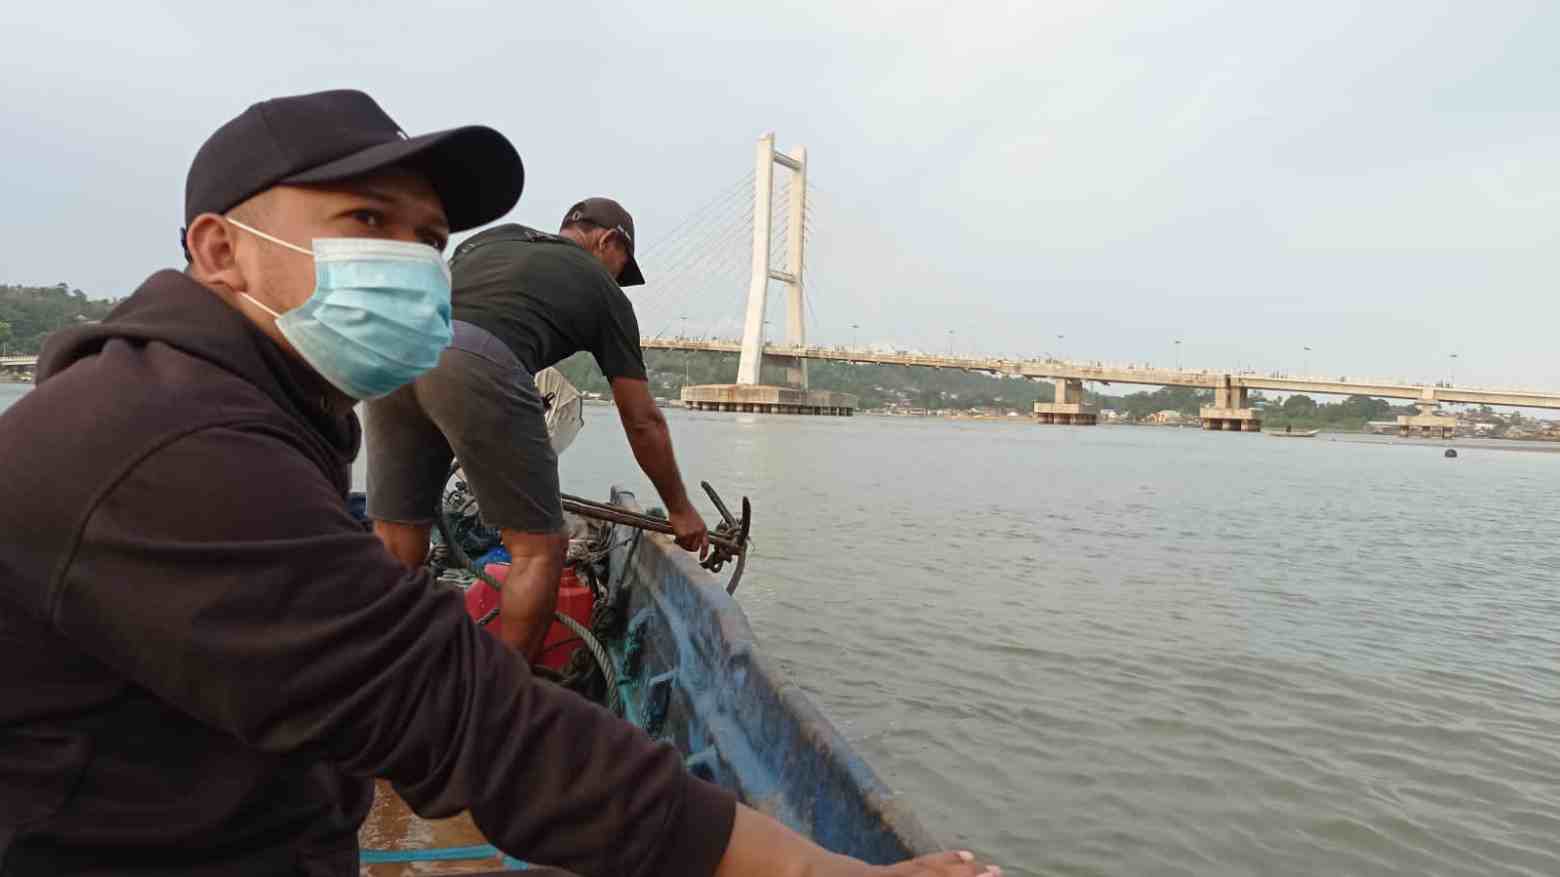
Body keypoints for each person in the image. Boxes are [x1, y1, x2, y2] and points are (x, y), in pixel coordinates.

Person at [0, 89, 997, 877]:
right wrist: (818, 870)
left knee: (393, 545)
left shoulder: (251, 400)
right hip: (123, 844)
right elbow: (639, 420)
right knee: (537, 553)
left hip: (230, 799)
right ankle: (508, 661)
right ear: (219, 250)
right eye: (364, 219)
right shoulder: (171, 449)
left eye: (426, 240)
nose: (409, 261)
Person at [366, 199, 708, 658]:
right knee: (539, 551)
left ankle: (374, 670)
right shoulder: (605, 294)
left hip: (393, 352)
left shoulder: (494, 237)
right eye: (620, 269)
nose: (617, 281)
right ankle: (503, 700)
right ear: (609, 241)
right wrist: (680, 509)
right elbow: (642, 420)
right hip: (478, 360)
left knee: (397, 531)